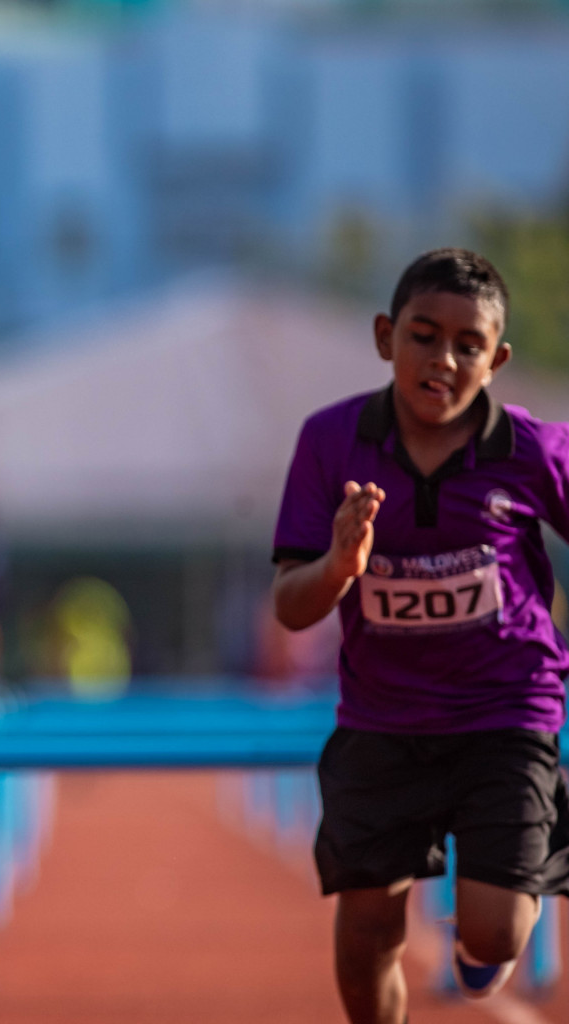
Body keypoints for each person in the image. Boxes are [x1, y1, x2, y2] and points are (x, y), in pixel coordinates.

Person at [271, 248, 569, 1022]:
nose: (444, 359)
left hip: (508, 713)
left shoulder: (533, 451)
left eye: (469, 345)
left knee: (498, 929)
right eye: (424, 336)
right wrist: (341, 563)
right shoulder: (331, 443)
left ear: (497, 359)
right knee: (369, 920)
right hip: (382, 718)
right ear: (384, 336)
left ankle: (481, 949)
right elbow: (292, 607)